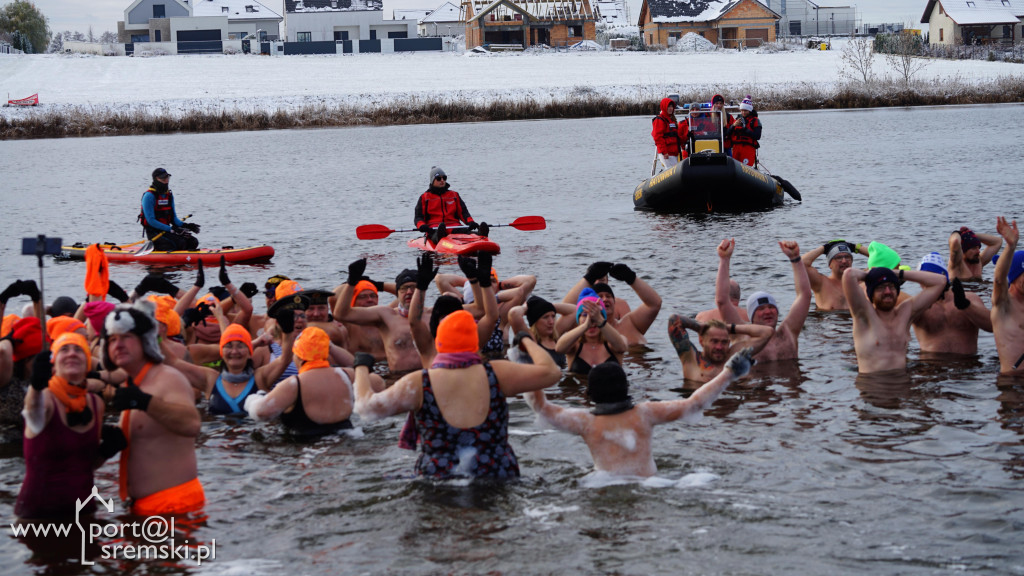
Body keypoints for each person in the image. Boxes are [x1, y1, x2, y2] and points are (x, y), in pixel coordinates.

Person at [352, 310, 561, 479]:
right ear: (475, 343)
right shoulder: (498, 373)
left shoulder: (420, 382)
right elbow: (552, 372)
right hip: (494, 471)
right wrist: (527, 341)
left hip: (440, 476)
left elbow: (367, 408)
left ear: (439, 342)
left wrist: (361, 367)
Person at [524, 349, 754, 478]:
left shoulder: (585, 423)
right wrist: (729, 373)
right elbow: (693, 404)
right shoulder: (644, 413)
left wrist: (526, 364)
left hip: (603, 486)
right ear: (626, 388)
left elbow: (541, 407)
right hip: (651, 486)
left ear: (589, 394)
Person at [102, 300, 203, 515]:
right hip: (142, 508)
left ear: (144, 341)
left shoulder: (167, 378)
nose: (118, 345)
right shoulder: (135, 383)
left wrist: (144, 402)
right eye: (112, 340)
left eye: (126, 337)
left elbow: (192, 424)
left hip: (174, 506)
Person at [15, 333, 125, 518]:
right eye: (64, 350)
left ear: (87, 362)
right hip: (38, 516)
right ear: (54, 364)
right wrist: (35, 385)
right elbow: (32, 412)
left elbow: (85, 464)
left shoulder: (95, 404)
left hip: (83, 512)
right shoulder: (46, 397)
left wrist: (106, 452)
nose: (72, 354)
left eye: (78, 350)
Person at [245, 327, 379, 437]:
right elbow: (379, 383)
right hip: (348, 440)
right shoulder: (346, 375)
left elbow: (261, 413)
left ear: (299, 356)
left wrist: (255, 398)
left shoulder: (293, 384)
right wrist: (361, 369)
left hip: (308, 452)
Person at [715, 239, 811, 362]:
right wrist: (724, 259)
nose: (767, 312)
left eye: (771, 307)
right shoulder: (742, 336)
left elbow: (805, 295)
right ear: (751, 316)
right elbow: (722, 301)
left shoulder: (788, 333)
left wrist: (795, 259)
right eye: (760, 309)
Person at [842, 266, 947, 374]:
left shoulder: (906, 313)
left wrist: (894, 273)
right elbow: (849, 274)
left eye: (891, 286)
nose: (887, 291)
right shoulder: (864, 315)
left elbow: (940, 281)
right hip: (873, 386)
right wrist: (872, 274)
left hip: (902, 386)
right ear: (871, 294)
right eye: (881, 287)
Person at [334, 259, 423, 374]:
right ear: (353, 300)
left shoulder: (385, 317)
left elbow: (404, 293)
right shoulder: (347, 324)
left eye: (373, 296)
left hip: (387, 368)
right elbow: (334, 296)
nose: (369, 300)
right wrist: (351, 282)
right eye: (363, 297)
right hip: (362, 370)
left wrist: (378, 285)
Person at [559, 262, 661, 347]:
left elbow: (654, 304)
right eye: (600, 296)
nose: (605, 299)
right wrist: (589, 278)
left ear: (614, 301)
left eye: (608, 296)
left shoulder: (630, 324)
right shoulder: (583, 331)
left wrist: (631, 277)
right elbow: (567, 311)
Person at [910, 253, 992, 356]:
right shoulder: (918, 303)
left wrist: (967, 306)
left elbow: (992, 326)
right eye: (924, 279)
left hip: (967, 365)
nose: (928, 283)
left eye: (932, 278)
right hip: (931, 366)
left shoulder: (969, 298)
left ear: (944, 277)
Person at [667, 316, 771, 385]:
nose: (719, 347)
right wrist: (698, 327)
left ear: (729, 343)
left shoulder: (733, 355)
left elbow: (767, 332)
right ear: (701, 341)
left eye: (724, 342)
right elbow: (674, 320)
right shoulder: (691, 359)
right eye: (714, 341)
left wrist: (729, 328)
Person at [556, 289, 628, 376]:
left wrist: (599, 321)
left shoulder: (613, 341)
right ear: (578, 319)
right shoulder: (574, 344)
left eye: (596, 315)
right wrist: (585, 325)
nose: (591, 319)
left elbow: (622, 347)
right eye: (585, 315)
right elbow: (559, 348)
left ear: (602, 318)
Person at [414, 166, 488, 244]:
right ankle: (439, 238)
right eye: (439, 179)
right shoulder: (424, 197)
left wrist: (471, 222)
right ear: (432, 181)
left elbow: (463, 213)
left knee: (465, 231)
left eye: (444, 178)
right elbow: (418, 217)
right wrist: (422, 226)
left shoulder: (454, 195)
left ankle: (480, 235)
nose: (442, 180)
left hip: (454, 226)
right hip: (434, 227)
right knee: (437, 233)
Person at [990, 216, 1024, 375]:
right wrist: (1010, 247)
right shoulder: (1003, 304)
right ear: (1015, 275)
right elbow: (998, 279)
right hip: (1012, 381)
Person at [138, 167, 200, 252]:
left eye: (167, 177)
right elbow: (150, 221)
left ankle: (186, 261)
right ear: (156, 179)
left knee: (193, 242)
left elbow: (173, 218)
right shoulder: (149, 196)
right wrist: (171, 229)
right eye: (163, 178)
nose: (166, 180)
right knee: (180, 243)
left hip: (167, 231)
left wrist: (186, 225)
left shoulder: (169, 195)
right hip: (154, 233)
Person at [800, 239, 870, 311]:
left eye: (847, 257)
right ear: (830, 264)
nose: (844, 261)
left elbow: (881, 258)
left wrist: (855, 247)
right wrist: (824, 248)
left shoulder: (862, 279)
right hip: (830, 320)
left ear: (852, 261)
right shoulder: (821, 283)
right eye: (838, 258)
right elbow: (800, 264)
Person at [507, 295, 575, 368]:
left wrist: (547, 305)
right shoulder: (530, 340)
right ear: (535, 322)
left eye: (553, 316)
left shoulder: (555, 335)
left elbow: (575, 311)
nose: (551, 322)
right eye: (545, 317)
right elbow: (513, 314)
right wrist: (526, 308)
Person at [726, 96, 761, 167]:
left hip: (748, 149)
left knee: (746, 169)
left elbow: (757, 136)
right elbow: (727, 134)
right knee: (735, 167)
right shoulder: (737, 120)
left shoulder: (755, 121)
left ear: (749, 110)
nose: (743, 112)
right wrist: (733, 126)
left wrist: (745, 129)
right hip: (736, 148)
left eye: (745, 111)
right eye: (742, 110)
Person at [651, 97, 684, 168]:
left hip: (674, 153)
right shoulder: (659, 120)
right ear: (664, 107)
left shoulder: (671, 120)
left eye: (672, 106)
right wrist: (664, 152)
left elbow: (677, 136)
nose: (671, 108)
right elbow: (658, 137)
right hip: (667, 153)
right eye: (669, 106)